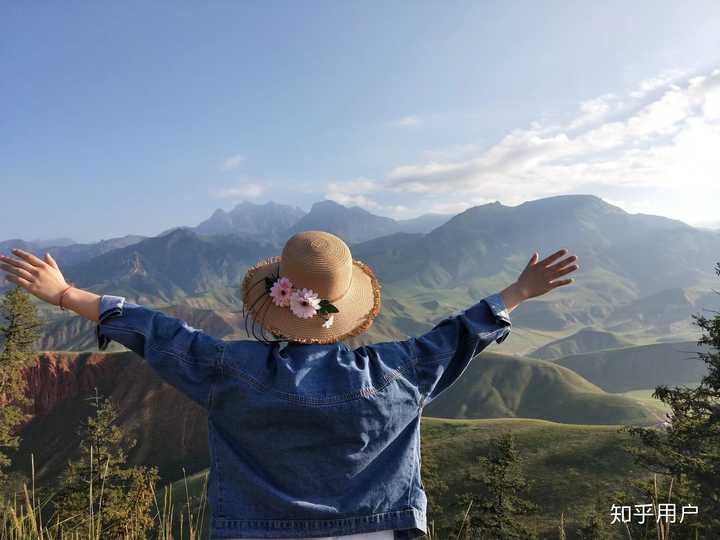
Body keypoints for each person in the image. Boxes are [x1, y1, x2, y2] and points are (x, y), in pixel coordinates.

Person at [0, 230, 578, 540]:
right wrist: (518, 292)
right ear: (346, 312)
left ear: (275, 303)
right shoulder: (396, 371)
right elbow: (456, 337)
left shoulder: (229, 369)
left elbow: (160, 334)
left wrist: (67, 294)